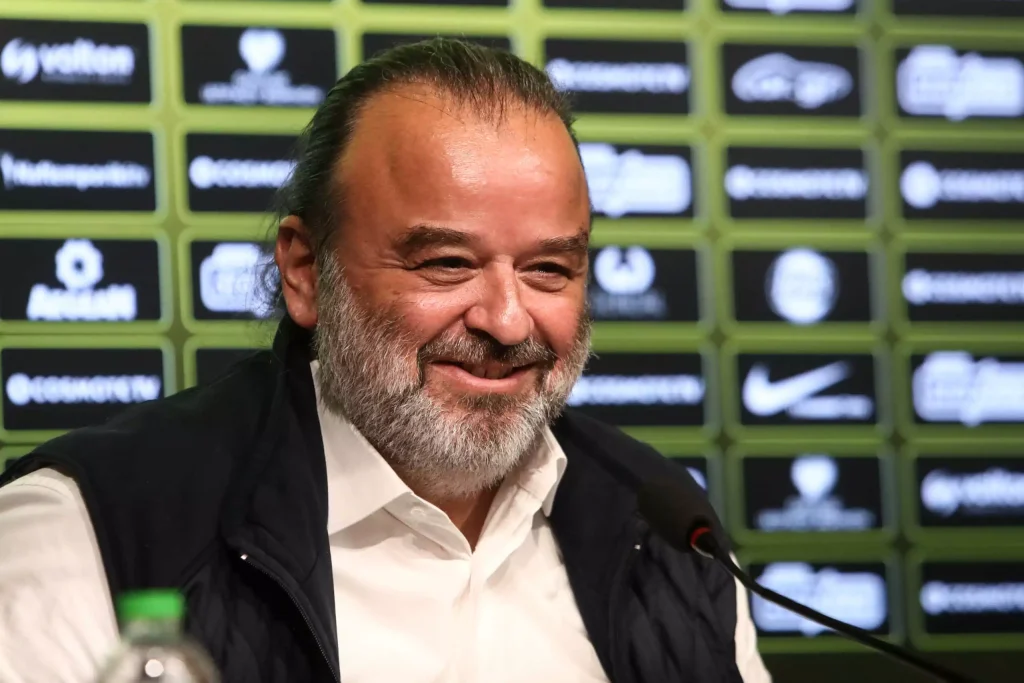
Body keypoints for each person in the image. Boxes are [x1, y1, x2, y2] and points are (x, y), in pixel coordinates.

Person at [0, 38, 771, 683]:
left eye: (549, 269)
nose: (508, 321)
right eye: (446, 263)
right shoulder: (89, 532)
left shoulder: (666, 530)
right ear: (307, 271)